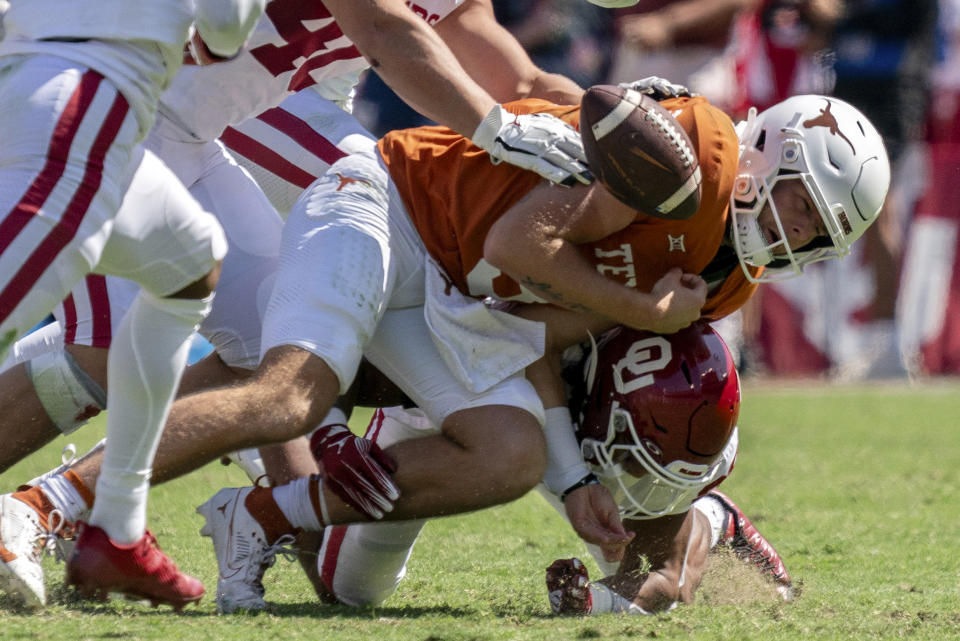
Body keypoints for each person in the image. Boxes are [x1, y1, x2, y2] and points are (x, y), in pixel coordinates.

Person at [6, 88, 889, 614]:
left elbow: (540, 320)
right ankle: (42, 508)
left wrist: (578, 482)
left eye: (818, 230)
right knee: (288, 395)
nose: (795, 231)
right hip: (392, 209)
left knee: (499, 461)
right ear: (771, 147)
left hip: (454, 301)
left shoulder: (727, 276)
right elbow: (516, 244)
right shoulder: (689, 157)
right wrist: (643, 312)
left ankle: (261, 516)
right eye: (802, 202)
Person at [0, 0, 591, 609]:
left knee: (269, 354)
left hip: (179, 131)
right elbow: (386, 32)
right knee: (103, 349)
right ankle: (45, 513)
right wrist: (499, 128)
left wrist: (631, 116)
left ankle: (105, 529)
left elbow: (515, 76)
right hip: (86, 102)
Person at [0, 0, 266, 609]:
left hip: (69, 101)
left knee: (191, 265)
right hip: (80, 111)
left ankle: (116, 529)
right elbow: (225, 32)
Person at [314, 323, 793, 614]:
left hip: (575, 404)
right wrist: (329, 426)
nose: (641, 485)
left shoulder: (649, 391)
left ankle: (708, 518)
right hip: (446, 395)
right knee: (349, 588)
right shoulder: (545, 309)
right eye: (630, 457)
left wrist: (592, 602)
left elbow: (662, 581)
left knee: (625, 556)